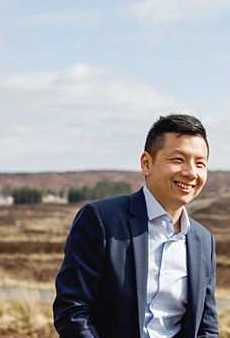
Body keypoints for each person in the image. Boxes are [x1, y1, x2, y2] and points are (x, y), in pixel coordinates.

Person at [54, 114, 218, 337]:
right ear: (146, 163)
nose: (191, 172)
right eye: (178, 159)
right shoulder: (101, 220)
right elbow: (72, 310)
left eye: (200, 163)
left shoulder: (203, 240)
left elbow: (205, 327)